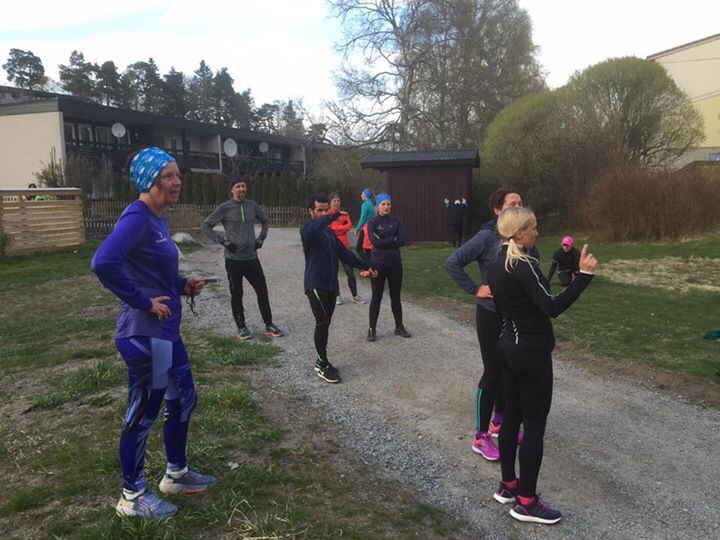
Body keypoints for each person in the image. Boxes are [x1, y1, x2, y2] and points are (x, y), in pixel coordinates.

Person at [92, 147, 217, 520]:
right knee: (144, 412)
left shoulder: (158, 219)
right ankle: (132, 497)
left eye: (178, 175)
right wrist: (141, 300)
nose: (177, 182)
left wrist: (182, 284)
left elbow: (154, 273)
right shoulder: (137, 218)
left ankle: (176, 474)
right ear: (150, 181)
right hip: (145, 336)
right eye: (168, 176)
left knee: (184, 398)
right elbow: (103, 262)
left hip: (166, 333)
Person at [486, 206, 597, 525]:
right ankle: (526, 502)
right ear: (519, 232)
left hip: (507, 347)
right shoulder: (524, 264)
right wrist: (584, 278)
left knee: (511, 418)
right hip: (530, 352)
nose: (537, 232)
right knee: (534, 425)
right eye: (533, 227)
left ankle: (508, 485)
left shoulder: (495, 263)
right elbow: (551, 306)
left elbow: (507, 307)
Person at [444, 187, 524, 461]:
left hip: (513, 315)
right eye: (512, 204)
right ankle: (480, 436)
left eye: (521, 203)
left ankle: (499, 422)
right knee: (492, 373)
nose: (518, 208)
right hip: (490, 314)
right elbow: (453, 262)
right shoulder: (487, 237)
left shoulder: (522, 235)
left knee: (509, 370)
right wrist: (474, 288)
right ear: (498, 210)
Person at [300, 193, 376, 383]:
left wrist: (367, 265)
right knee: (321, 321)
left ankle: (323, 360)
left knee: (326, 323)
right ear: (311, 211)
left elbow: (346, 255)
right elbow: (312, 228)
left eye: (326, 210)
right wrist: (332, 216)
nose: (324, 213)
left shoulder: (330, 233)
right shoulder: (307, 230)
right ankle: (321, 363)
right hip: (315, 284)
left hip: (331, 285)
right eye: (320, 210)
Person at [201, 176, 284, 340]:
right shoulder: (225, 208)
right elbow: (206, 225)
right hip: (233, 260)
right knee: (237, 293)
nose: (241, 189)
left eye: (243, 186)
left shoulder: (252, 206)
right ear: (232, 189)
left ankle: (269, 324)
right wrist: (223, 241)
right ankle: (241, 327)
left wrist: (261, 238)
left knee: (262, 290)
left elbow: (265, 220)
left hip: (251, 258)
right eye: (238, 186)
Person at [366, 193, 411, 341]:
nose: (386, 207)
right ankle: (372, 329)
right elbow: (375, 243)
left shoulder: (396, 221)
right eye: (383, 204)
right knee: (376, 296)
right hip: (378, 264)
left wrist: (385, 240)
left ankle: (399, 327)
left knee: (395, 296)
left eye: (388, 204)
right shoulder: (372, 223)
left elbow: (402, 240)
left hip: (395, 264)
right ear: (378, 206)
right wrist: (393, 239)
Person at [328, 192, 365, 305]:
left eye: (338, 201)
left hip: (345, 246)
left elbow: (348, 226)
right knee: (333, 272)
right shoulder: (327, 215)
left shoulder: (344, 214)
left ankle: (355, 295)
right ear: (330, 203)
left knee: (350, 272)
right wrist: (340, 228)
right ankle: (337, 296)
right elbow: (330, 228)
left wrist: (338, 228)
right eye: (334, 201)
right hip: (332, 246)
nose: (337, 203)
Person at [354, 188, 375, 257]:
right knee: (368, 248)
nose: (361, 195)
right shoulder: (372, 204)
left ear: (366, 195)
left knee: (359, 248)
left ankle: (368, 262)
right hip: (371, 227)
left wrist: (357, 228)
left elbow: (363, 218)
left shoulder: (365, 204)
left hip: (366, 228)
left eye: (362, 194)